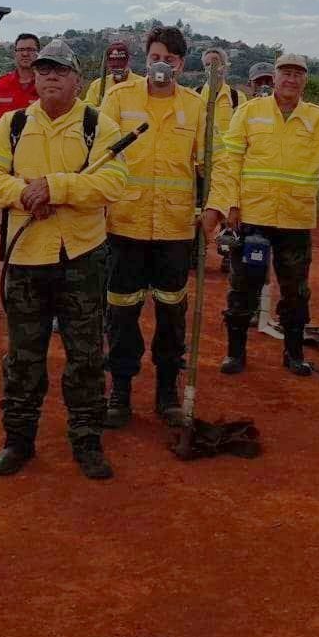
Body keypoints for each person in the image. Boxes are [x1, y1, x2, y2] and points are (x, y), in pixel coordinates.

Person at [0, 38, 129, 480]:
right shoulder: (13, 124)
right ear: (34, 78)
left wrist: (55, 188)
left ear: (77, 79)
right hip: (26, 257)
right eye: (43, 70)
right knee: (24, 357)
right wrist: (23, 193)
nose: (51, 77)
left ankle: (86, 441)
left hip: (82, 258)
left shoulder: (100, 126)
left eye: (60, 70)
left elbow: (113, 182)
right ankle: (18, 440)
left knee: (84, 357)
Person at [203, 53, 319, 377]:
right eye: (285, 73)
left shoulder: (318, 118)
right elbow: (230, 161)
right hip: (253, 218)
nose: (291, 79)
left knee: (296, 292)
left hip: (295, 220)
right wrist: (229, 203)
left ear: (305, 80)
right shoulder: (249, 112)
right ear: (274, 77)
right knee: (244, 286)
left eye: (298, 74)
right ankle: (235, 353)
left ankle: (293, 353)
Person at [102, 26, 211, 430]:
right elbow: (101, 156)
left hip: (175, 227)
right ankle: (120, 391)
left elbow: (210, 165)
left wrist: (213, 206)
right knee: (122, 313)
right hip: (125, 225)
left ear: (181, 65)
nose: (160, 65)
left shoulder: (197, 108)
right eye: (154, 57)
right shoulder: (118, 99)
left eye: (169, 58)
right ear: (145, 60)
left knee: (170, 313)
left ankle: (167, 393)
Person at [0, 33, 41, 124]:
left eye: (30, 50)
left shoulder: (47, 86)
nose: (25, 54)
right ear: (15, 53)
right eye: (21, 50)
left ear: (38, 53)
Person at [83, 40, 134, 105]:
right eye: (114, 66)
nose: (117, 69)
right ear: (108, 64)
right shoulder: (96, 86)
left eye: (120, 65)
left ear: (129, 61)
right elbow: (87, 110)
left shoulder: (143, 85)